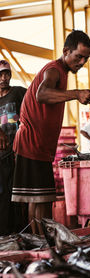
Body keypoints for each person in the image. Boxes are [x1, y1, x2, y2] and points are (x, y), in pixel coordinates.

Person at [11, 30, 90, 234]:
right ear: (66, 51)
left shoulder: (61, 73)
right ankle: (42, 244)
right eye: (78, 56)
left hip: (38, 147)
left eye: (86, 58)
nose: (82, 62)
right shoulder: (54, 70)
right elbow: (42, 94)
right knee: (41, 200)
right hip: (31, 144)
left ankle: (39, 242)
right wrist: (76, 94)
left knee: (39, 200)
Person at [0, 60, 26, 235]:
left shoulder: (18, 92)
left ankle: (19, 231)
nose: (3, 78)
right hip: (1, 154)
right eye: (0, 74)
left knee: (17, 194)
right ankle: (4, 232)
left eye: (6, 74)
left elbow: (34, 104)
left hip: (17, 151)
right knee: (3, 195)